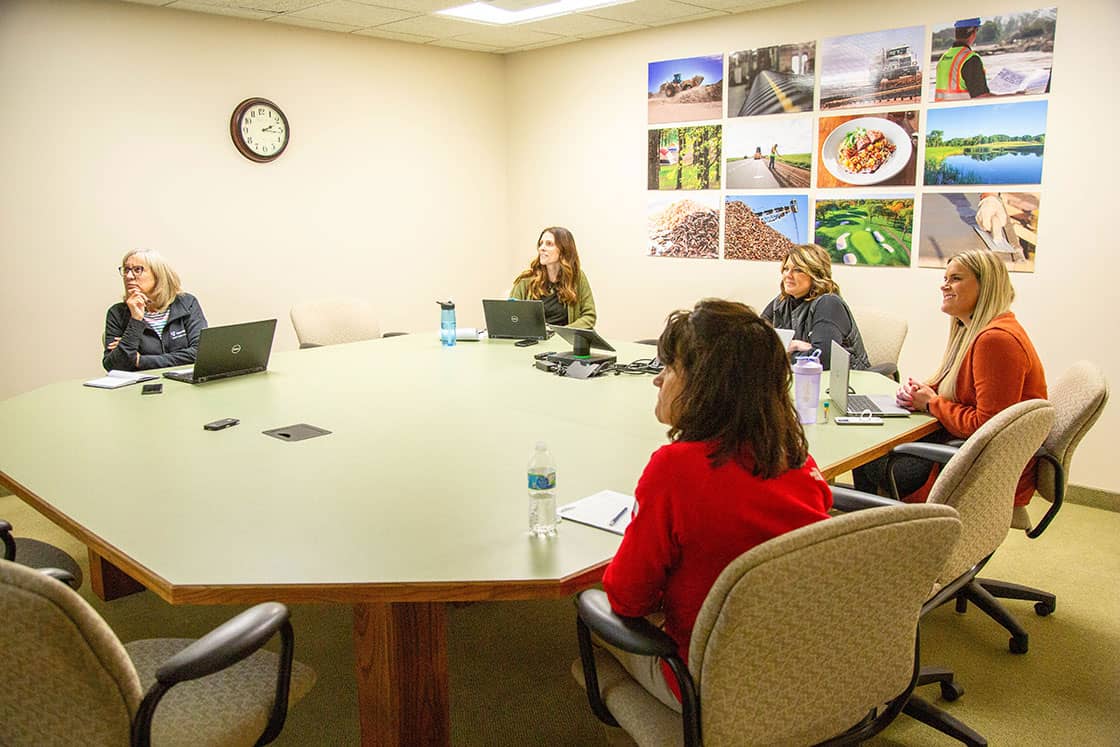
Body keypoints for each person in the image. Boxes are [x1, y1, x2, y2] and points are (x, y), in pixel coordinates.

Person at [600, 299, 833, 710]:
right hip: (807, 664)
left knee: (591, 631)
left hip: (712, 681)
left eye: (670, 368)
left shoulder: (674, 470)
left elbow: (627, 598)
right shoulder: (797, 459)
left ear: (705, 385)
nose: (658, 380)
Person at [854, 249, 1046, 505]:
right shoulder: (974, 329)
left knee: (866, 456)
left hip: (979, 467)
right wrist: (923, 391)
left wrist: (931, 403)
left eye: (955, 278)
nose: (944, 286)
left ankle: (880, 532)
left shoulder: (996, 340)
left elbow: (987, 427)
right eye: (945, 278)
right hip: (962, 450)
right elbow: (961, 388)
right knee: (871, 447)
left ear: (985, 285)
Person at [761, 243, 870, 370]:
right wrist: (801, 348)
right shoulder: (781, 302)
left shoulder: (828, 303)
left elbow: (823, 359)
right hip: (803, 379)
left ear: (816, 274)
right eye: (786, 269)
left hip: (846, 382)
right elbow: (753, 340)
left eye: (798, 270)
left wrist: (789, 349)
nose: (788, 275)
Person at [102, 249, 207, 371]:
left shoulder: (187, 303)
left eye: (137, 270)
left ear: (158, 275)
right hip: (140, 386)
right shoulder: (117, 313)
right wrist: (136, 320)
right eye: (126, 270)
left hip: (184, 382)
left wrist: (141, 360)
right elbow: (114, 366)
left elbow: (200, 353)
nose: (129, 276)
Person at [509, 226, 596, 328]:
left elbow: (589, 316)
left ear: (564, 250)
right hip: (534, 342)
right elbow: (511, 316)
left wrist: (561, 333)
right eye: (541, 243)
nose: (542, 248)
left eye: (549, 244)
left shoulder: (577, 277)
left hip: (564, 341)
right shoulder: (525, 280)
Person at [934, 18, 992, 101]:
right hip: (964, 112)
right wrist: (1013, 95)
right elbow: (981, 97)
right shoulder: (971, 59)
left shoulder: (944, 58)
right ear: (974, 32)